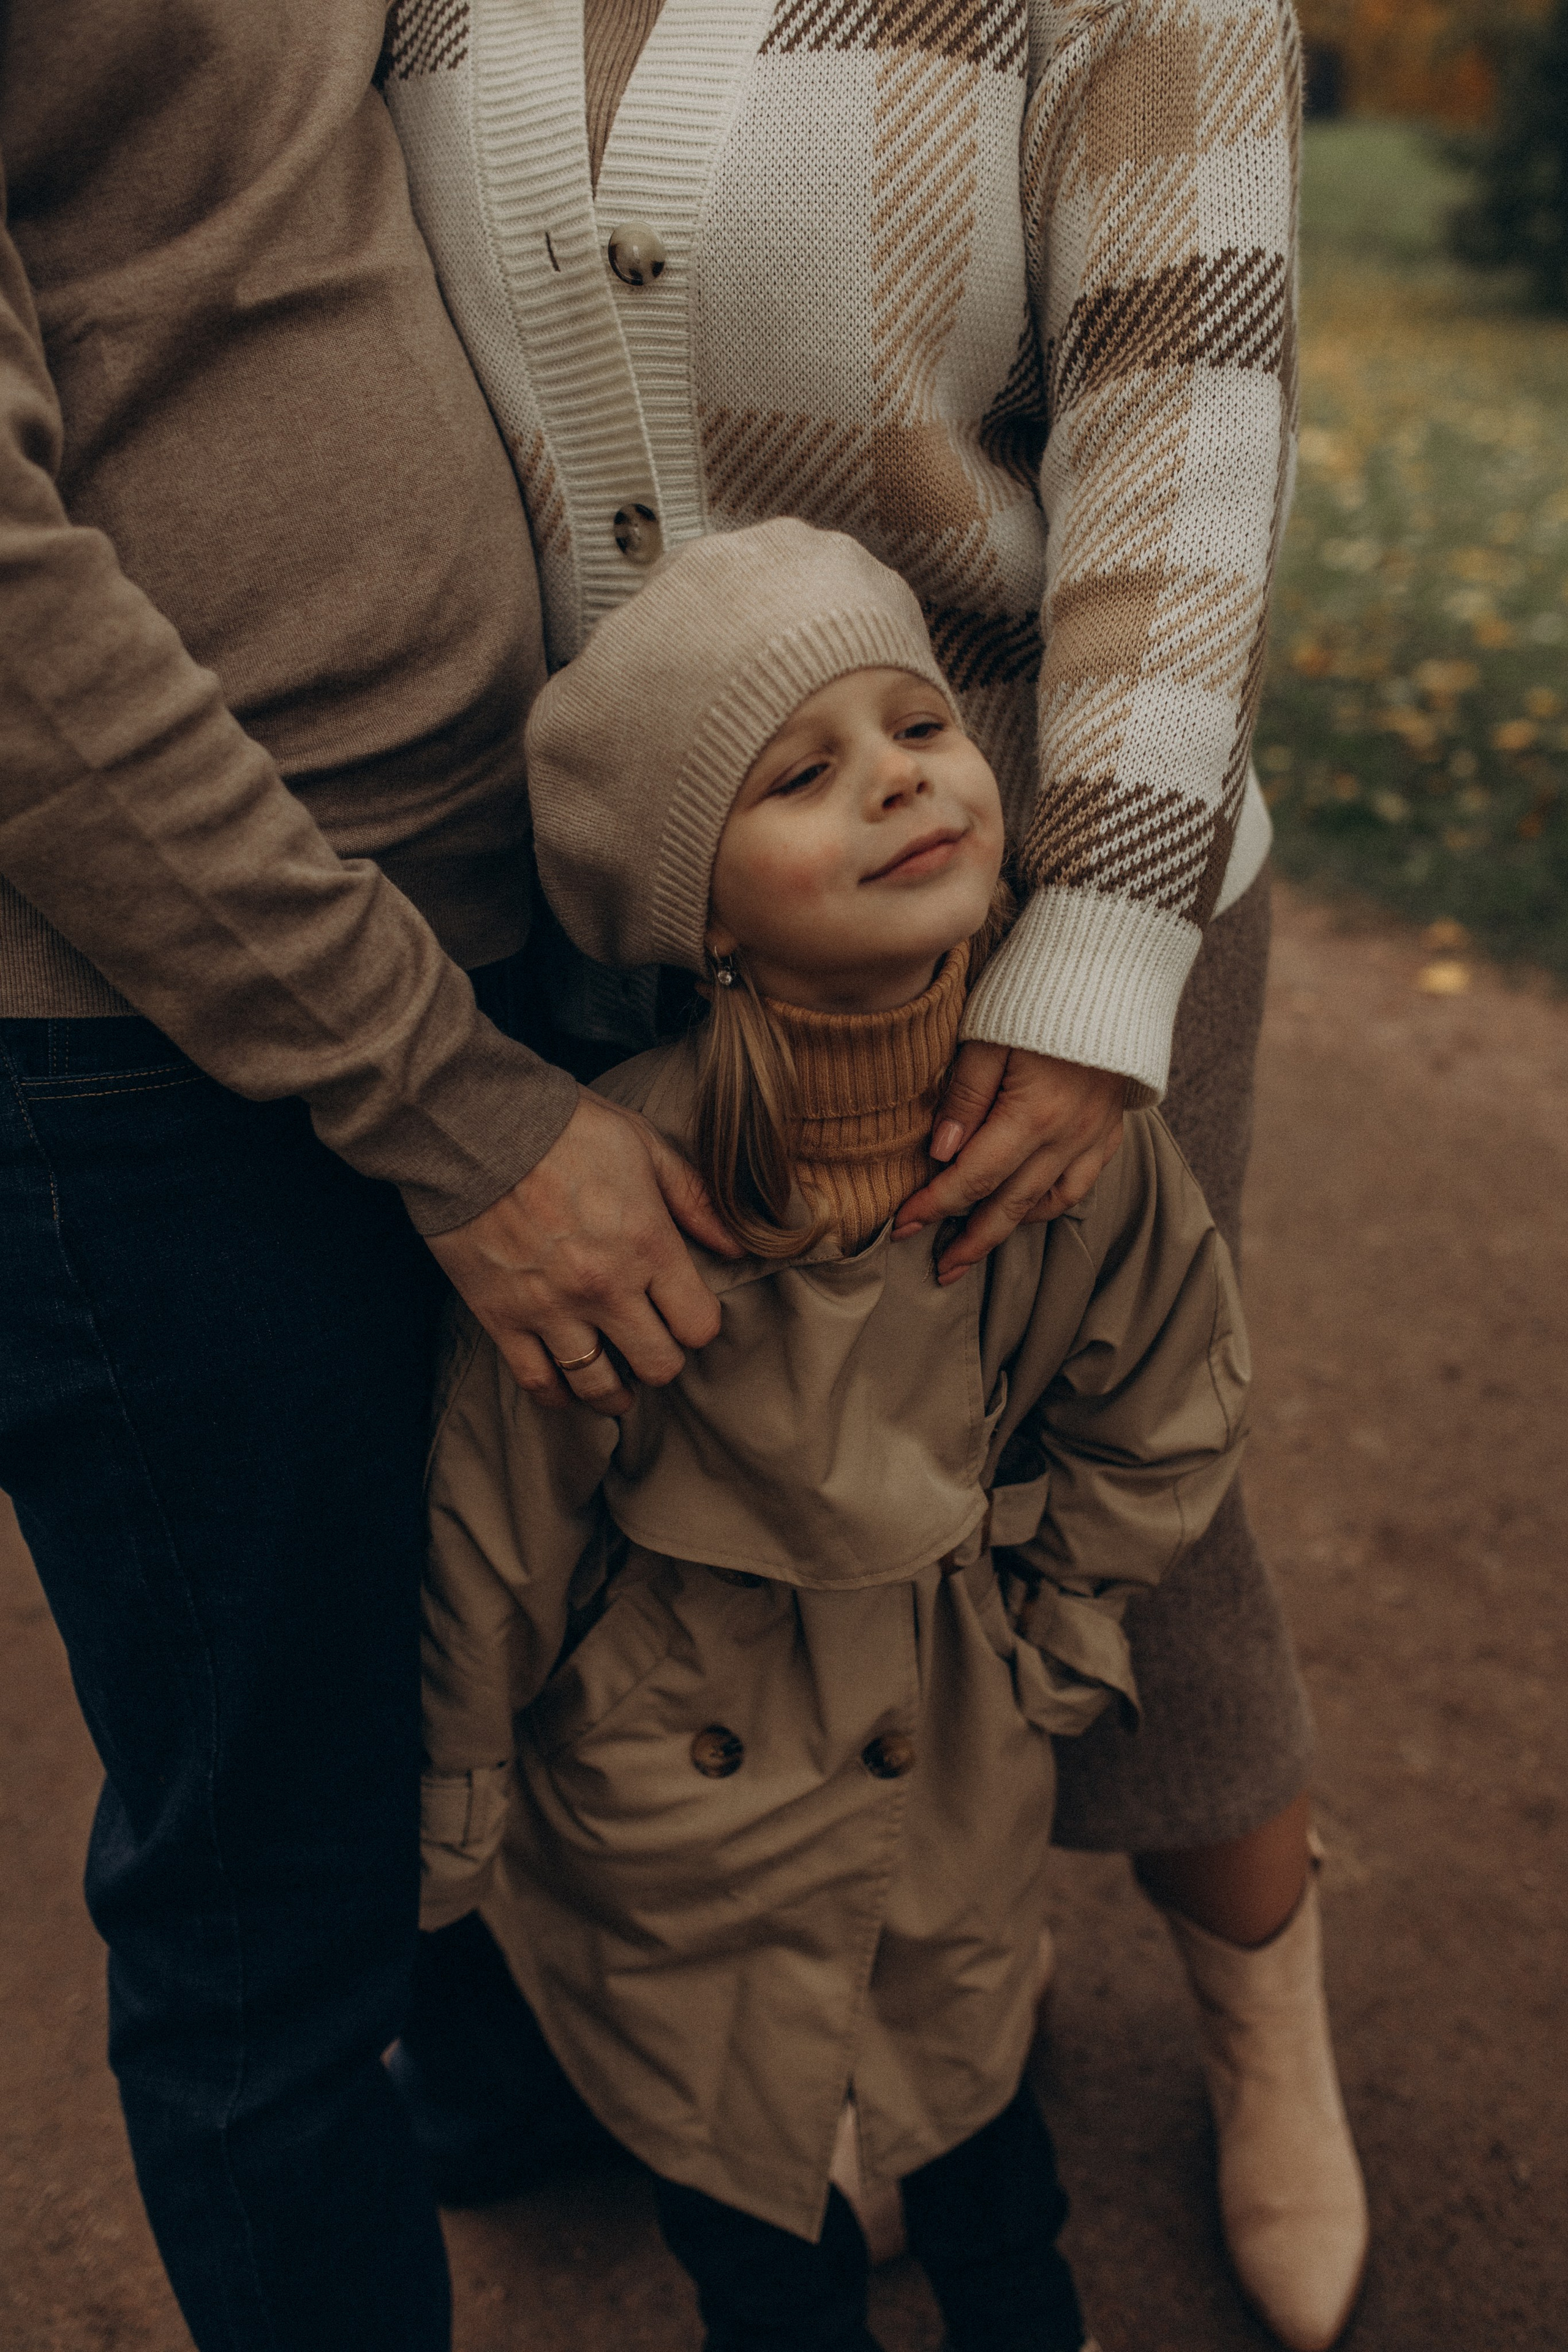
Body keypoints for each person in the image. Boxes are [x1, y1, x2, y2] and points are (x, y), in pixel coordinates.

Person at [383, 4, 1368, 2345]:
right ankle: (832, 2038)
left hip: (1034, 856)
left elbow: (1188, 400)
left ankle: (1267, 2039)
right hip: (624, 894)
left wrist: (1103, 930)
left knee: (1093, 1469)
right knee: (708, 1488)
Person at [0, 11, 742, 2348]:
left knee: (471, 1657)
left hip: (474, 921)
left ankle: (497, 2095)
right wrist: (438, 1101)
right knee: (266, 1912)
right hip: (150, 1053)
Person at [419, 520, 1254, 2352]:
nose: (894, 782)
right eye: (802, 773)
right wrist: (467, 1780)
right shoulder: (625, 1173)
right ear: (696, 908)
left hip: (948, 1709)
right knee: (749, 2200)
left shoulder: (1065, 1138)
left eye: (920, 732)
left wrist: (1062, 1625)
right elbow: (504, 1503)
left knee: (980, 2120)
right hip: (675, 1756)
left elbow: (1169, 1395)